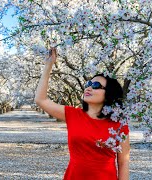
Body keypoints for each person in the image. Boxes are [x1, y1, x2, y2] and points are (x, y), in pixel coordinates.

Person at [34, 47, 130, 180]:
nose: (89, 87)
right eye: (88, 83)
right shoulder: (73, 114)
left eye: (96, 85)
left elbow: (123, 162)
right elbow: (41, 99)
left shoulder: (119, 124)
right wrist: (48, 65)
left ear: (109, 94)